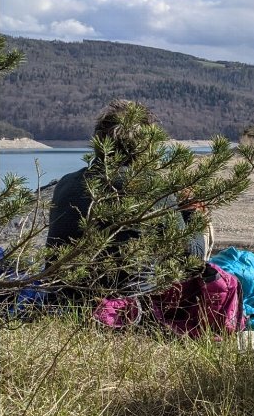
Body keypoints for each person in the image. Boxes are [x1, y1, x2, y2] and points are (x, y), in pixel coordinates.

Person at [46, 99, 209, 299]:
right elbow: (191, 257)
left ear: (98, 141)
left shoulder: (65, 183)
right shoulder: (152, 186)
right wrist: (192, 211)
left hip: (60, 298)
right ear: (147, 145)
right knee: (196, 225)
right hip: (127, 307)